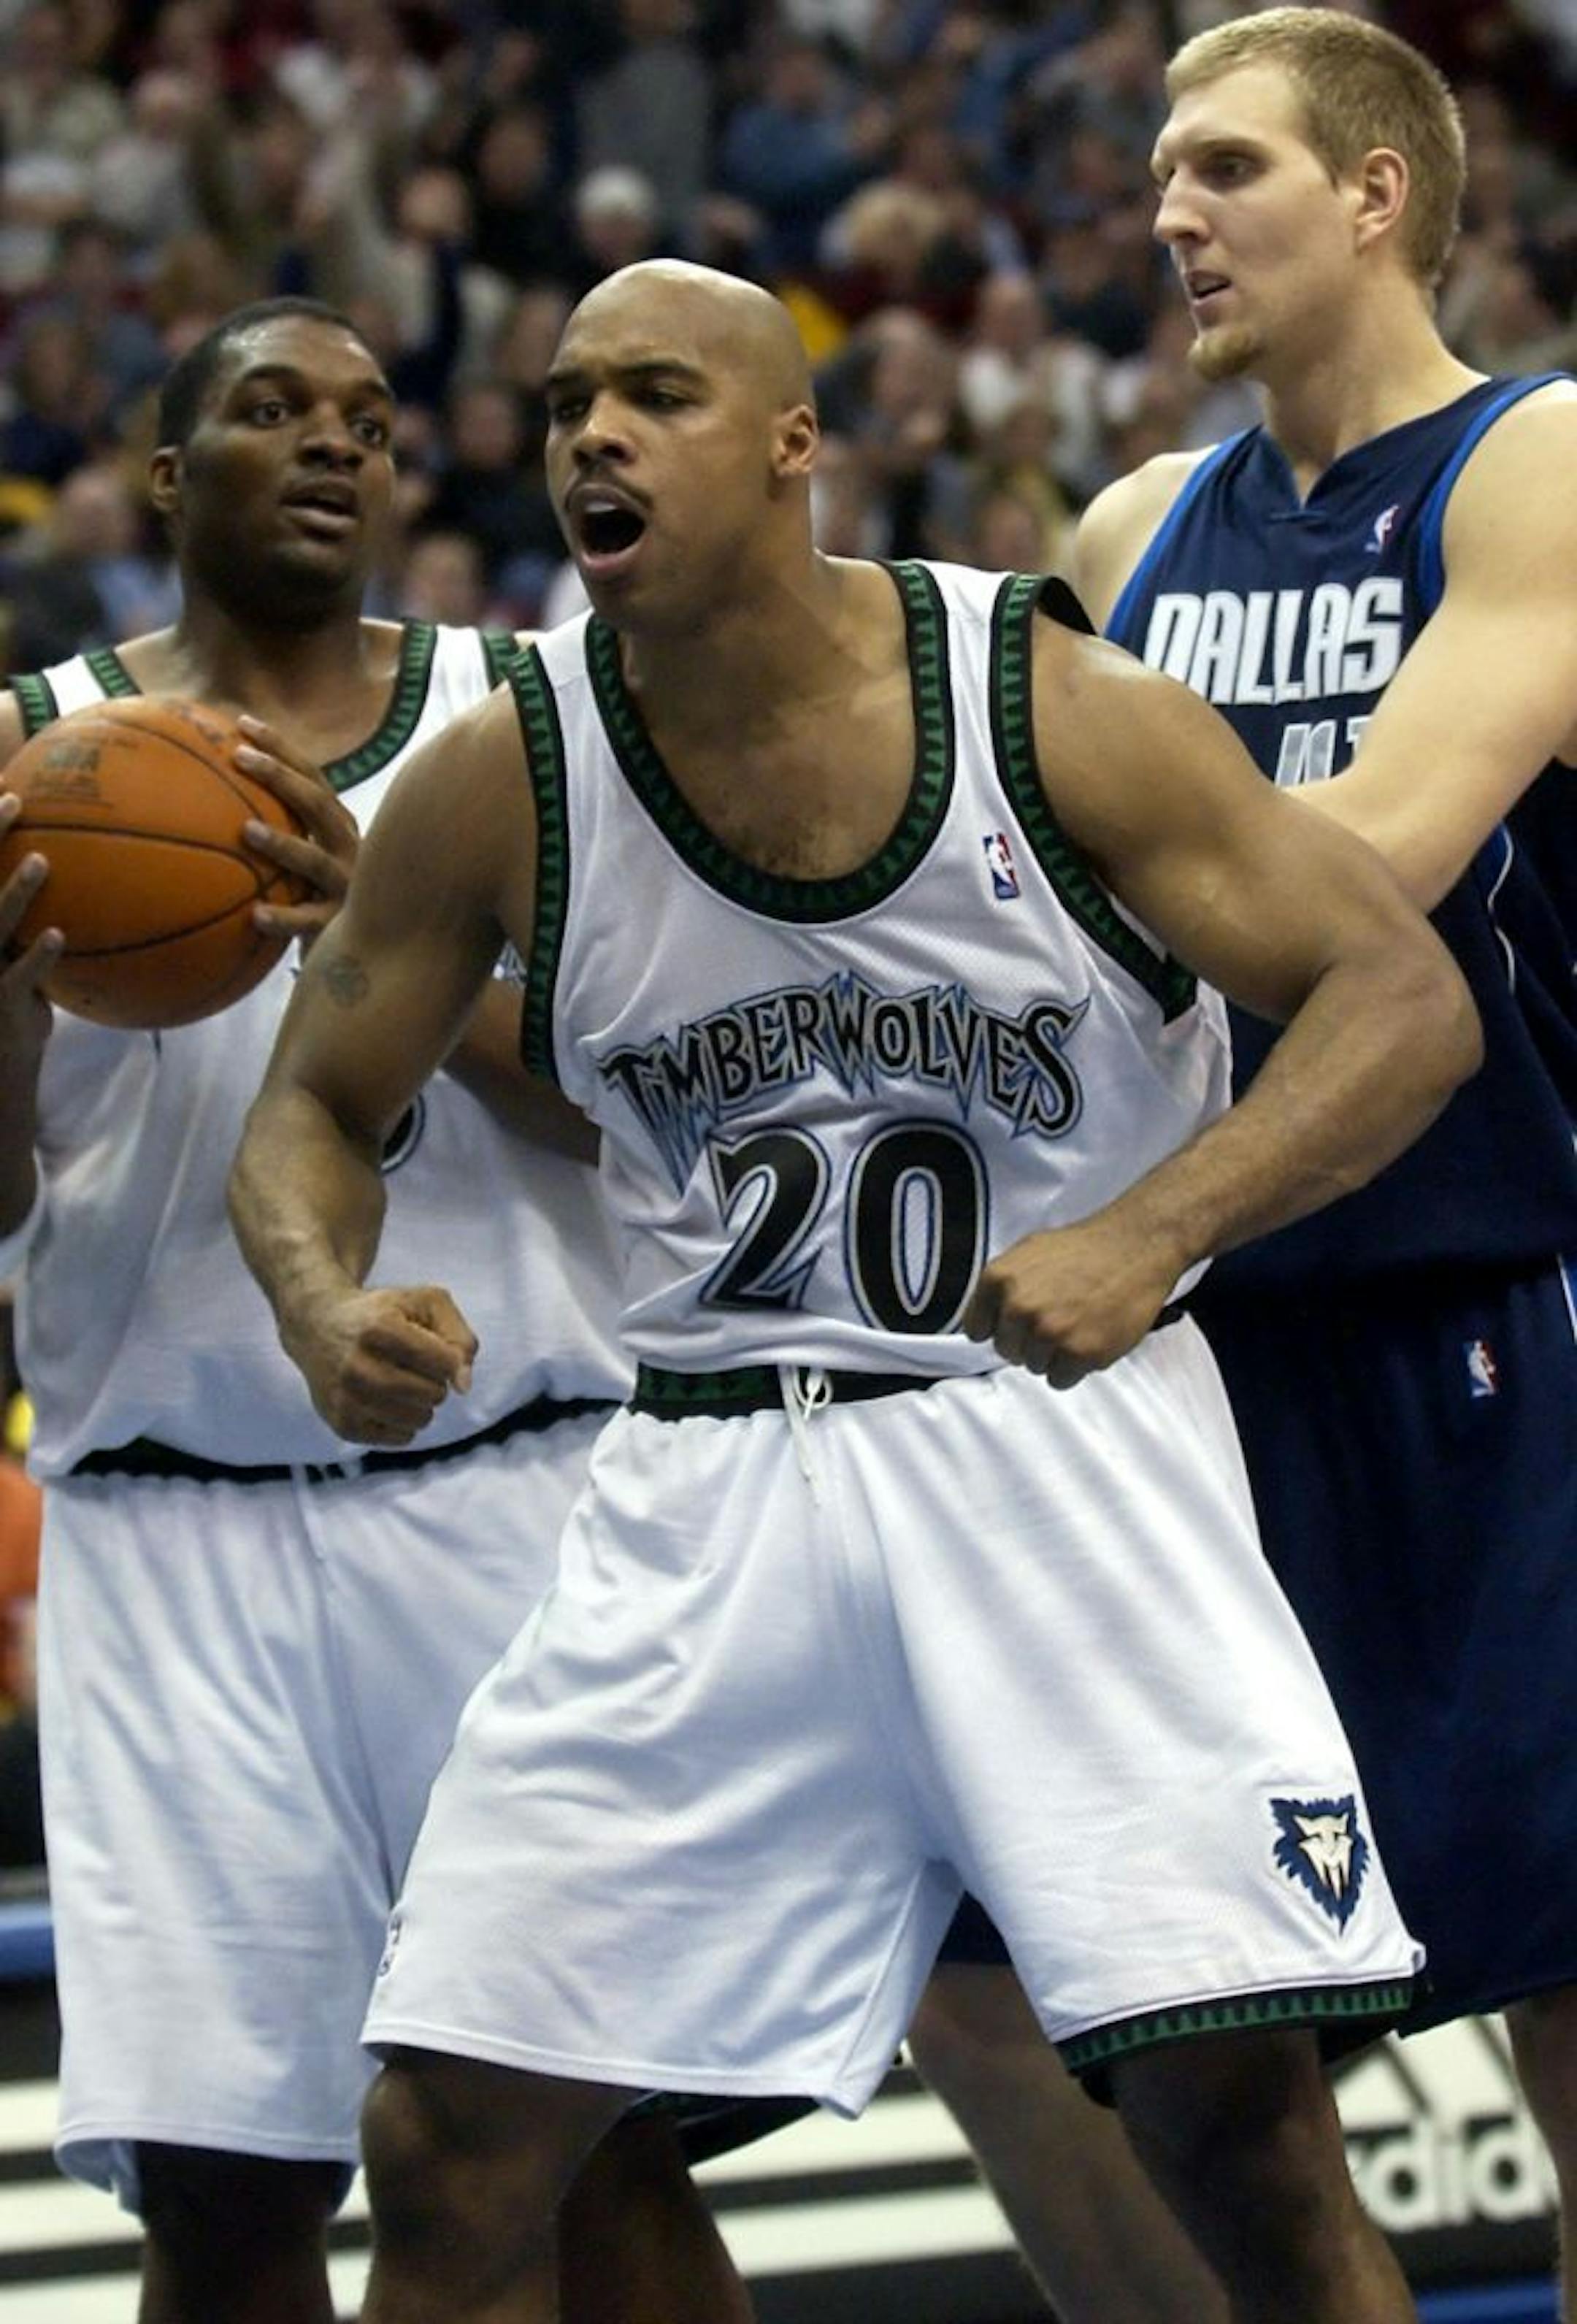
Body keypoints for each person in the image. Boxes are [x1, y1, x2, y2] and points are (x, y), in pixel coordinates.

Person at [229, 255, 1481, 2324]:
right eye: (561, 406)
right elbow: (310, 1103)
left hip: (1058, 1465)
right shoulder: (509, 771)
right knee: (450, 2148)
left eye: (653, 396)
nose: (592, 439)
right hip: (711, 1485)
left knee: (1243, 2136)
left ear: (793, 442)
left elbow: (1401, 1001)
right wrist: (313, 1298)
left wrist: (1158, 1227)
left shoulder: (1040, 701)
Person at [0, 296, 758, 2324]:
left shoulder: (537, 717)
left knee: (587, 2162)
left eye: (370, 419)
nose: (337, 446)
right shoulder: (25, 752)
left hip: (511, 1500)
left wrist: (387, 936)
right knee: (225, 2206)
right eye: (272, 412)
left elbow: (650, 1118)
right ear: (168, 479)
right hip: (165, 1534)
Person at [929, 9, 1577, 2315]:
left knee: (1562, 1995)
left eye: (1227, 169)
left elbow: (1371, 869)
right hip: (1185, 1353)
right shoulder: (1135, 528)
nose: (1169, 212)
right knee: (1122, 2026)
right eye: (1161, 172)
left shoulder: (1535, 461)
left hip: (1482, 1310)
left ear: (1381, 193)